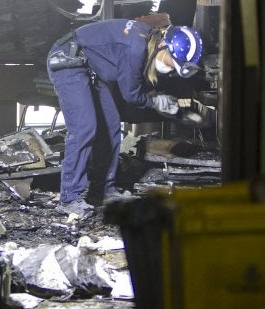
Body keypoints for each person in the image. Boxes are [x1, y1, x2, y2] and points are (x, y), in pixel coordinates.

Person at [47, 19, 203, 216]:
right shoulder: (136, 48)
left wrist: (156, 98)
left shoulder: (149, 39)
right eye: (173, 64)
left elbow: (133, 80)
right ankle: (69, 198)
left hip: (91, 68)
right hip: (68, 61)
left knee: (111, 127)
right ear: (164, 45)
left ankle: (103, 190)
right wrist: (155, 102)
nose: (170, 70)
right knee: (84, 127)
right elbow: (130, 94)